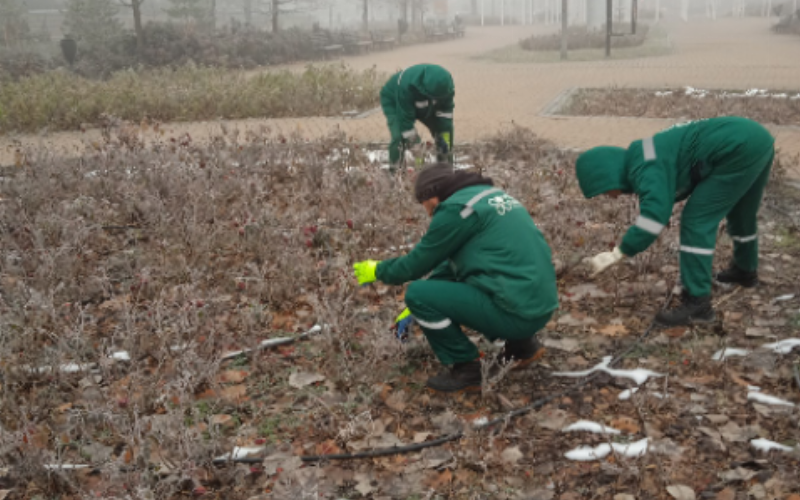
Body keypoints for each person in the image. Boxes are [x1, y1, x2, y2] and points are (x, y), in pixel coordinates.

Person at [352, 164, 559, 393]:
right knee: (496, 275)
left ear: (432, 196)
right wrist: (429, 295)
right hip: (540, 307)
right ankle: (522, 346)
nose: (427, 213)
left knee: (417, 293)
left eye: (424, 204)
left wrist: (378, 270)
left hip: (515, 314)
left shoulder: (456, 209)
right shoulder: (488, 197)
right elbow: (454, 262)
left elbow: (414, 266)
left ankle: (467, 369)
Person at [575, 116, 775, 327]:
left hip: (737, 148)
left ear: (608, 174)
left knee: (696, 221)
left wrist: (621, 251)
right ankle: (745, 269)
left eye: (605, 190)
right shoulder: (644, 154)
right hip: (755, 139)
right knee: (742, 212)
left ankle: (698, 302)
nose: (611, 197)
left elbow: (654, 217)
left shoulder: (645, 167)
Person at [379, 64, 455, 170]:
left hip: (425, 104)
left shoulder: (446, 89)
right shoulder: (406, 85)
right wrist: (416, 145)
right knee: (399, 137)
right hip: (394, 101)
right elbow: (405, 122)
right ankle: (395, 172)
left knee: (444, 137)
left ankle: (446, 169)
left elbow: (445, 120)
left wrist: (445, 145)